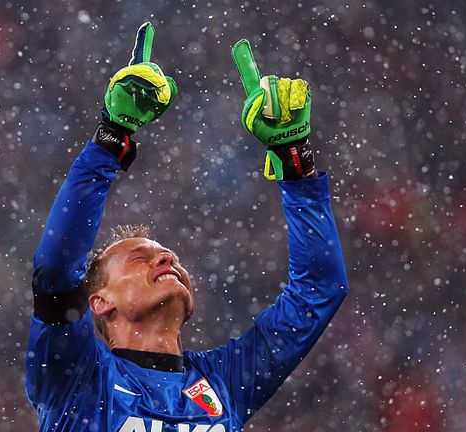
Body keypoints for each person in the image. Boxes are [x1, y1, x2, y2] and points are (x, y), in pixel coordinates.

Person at [25, 23, 348, 432]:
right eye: (140, 258)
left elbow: (320, 289)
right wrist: (111, 137)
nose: (166, 257)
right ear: (99, 302)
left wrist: (294, 161)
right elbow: (55, 268)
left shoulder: (225, 382)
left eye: (168, 256)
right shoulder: (77, 377)